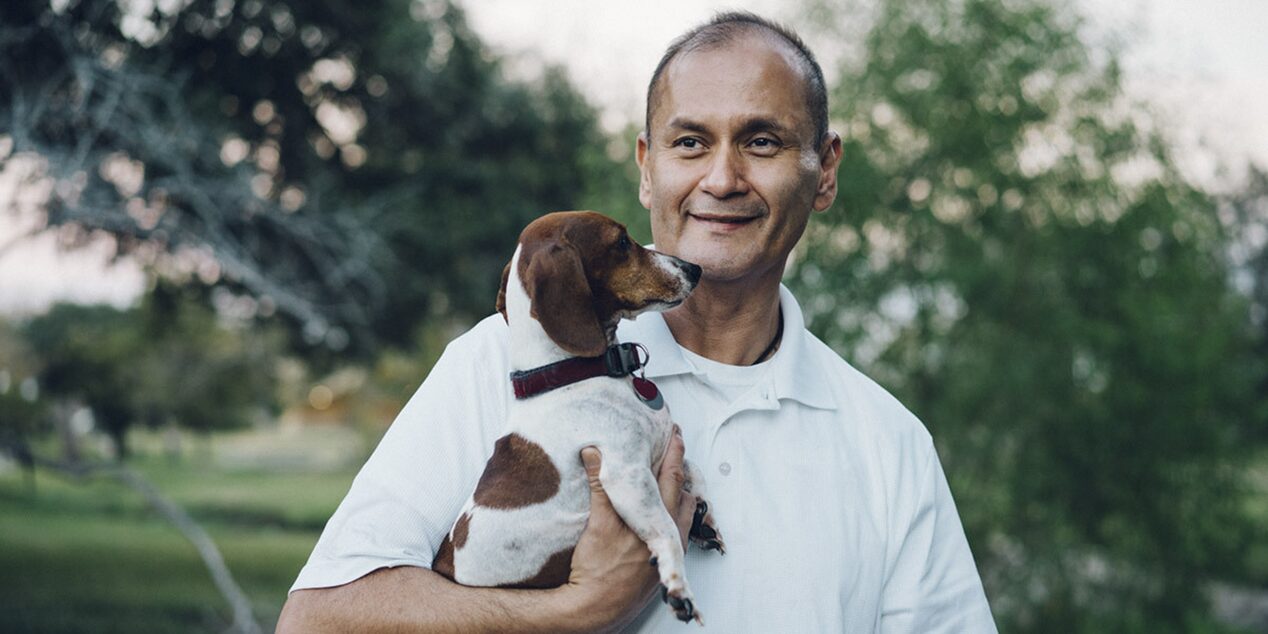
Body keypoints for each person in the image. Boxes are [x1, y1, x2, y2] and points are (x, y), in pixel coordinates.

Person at [279, 11, 996, 633]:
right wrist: (578, 612)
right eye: (690, 143)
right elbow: (317, 621)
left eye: (763, 142)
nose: (721, 178)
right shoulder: (498, 364)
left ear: (826, 170)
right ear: (648, 168)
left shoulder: (890, 444)